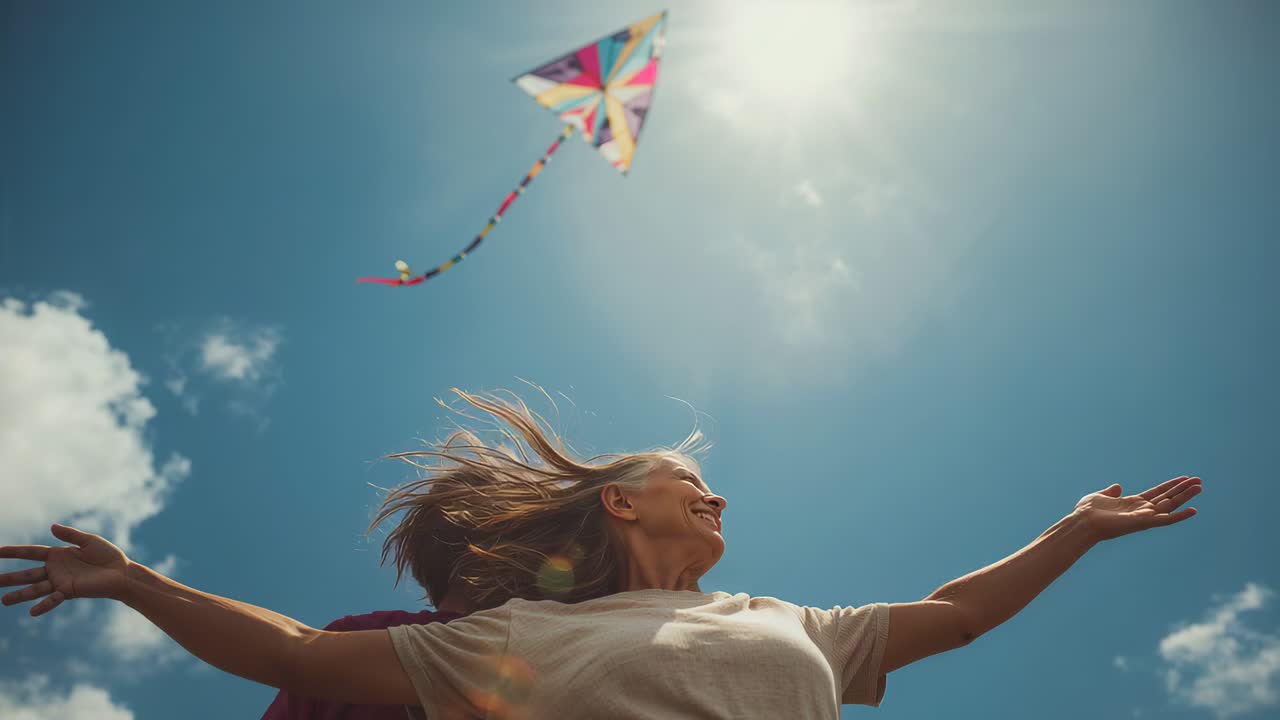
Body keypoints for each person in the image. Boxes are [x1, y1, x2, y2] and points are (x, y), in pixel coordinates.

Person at [1, 389, 1202, 719]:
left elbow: (957, 614)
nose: (715, 493)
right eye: (687, 480)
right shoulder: (513, 640)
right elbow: (304, 656)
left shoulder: (787, 623)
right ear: (621, 505)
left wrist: (1072, 531)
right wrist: (137, 583)